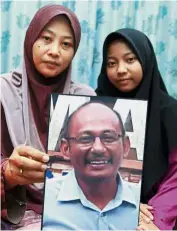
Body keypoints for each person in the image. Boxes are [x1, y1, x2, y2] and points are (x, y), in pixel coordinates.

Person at [1, 4, 96, 230]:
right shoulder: (3, 91)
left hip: (75, 211)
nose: (54, 51)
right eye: (46, 38)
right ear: (31, 39)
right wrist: (8, 174)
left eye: (66, 44)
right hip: (12, 213)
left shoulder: (87, 99)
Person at [95, 28, 177, 230]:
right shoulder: (93, 109)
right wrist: (122, 202)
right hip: (102, 205)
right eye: (112, 63)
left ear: (146, 60)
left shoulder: (169, 111)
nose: (120, 70)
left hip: (155, 211)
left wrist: (155, 219)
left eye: (130, 60)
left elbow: (175, 178)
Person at [42, 101, 140, 230]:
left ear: (125, 146)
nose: (98, 149)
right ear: (66, 148)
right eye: (85, 139)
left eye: (108, 138)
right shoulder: (43, 198)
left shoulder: (147, 206)